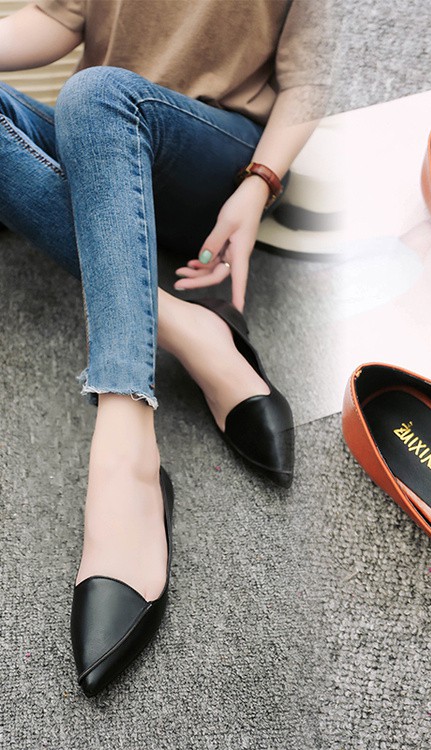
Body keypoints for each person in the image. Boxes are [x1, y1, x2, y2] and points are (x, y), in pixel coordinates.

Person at [0, 0, 329, 696]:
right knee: (93, 99)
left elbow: (312, 76)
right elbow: (59, 20)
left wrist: (259, 185)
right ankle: (187, 328)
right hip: (99, 148)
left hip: (214, 159)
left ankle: (125, 454)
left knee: (94, 90)